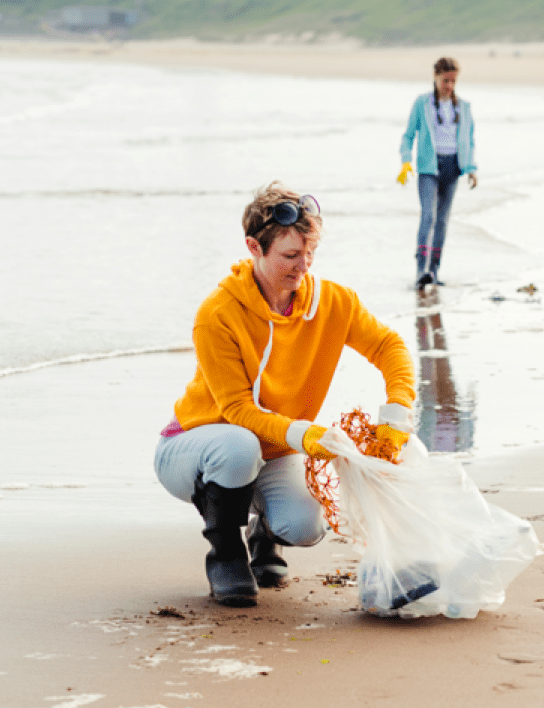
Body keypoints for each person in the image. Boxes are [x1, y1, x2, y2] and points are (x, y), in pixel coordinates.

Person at [154, 182, 417, 607]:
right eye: (290, 256)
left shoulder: (333, 303)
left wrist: (397, 413)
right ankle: (226, 554)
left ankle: (265, 535)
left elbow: (390, 347)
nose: (303, 267)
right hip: (193, 446)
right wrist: (306, 435)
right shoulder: (217, 315)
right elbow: (237, 410)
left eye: (309, 254)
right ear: (254, 247)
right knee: (238, 446)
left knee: (306, 526)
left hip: (275, 448)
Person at [398, 57, 478, 289]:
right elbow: (408, 136)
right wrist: (406, 161)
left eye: (453, 81)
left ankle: (434, 271)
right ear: (436, 77)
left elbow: (469, 141)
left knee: (442, 221)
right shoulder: (422, 103)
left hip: (453, 167)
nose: (449, 85)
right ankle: (420, 270)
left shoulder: (463, 107)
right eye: (445, 80)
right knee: (428, 216)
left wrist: (471, 168)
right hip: (428, 168)